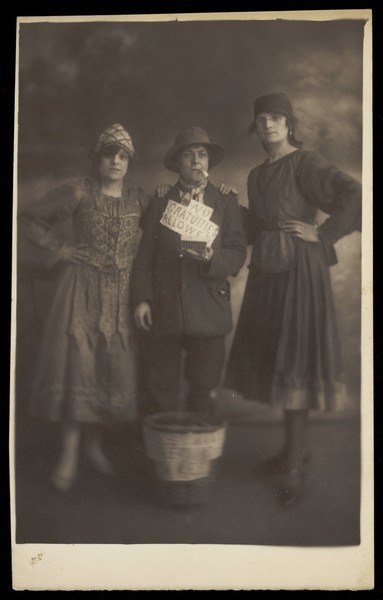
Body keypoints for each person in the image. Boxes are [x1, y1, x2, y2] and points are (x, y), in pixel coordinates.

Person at [225, 93, 362, 506]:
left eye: (276, 118)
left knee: (295, 360)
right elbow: (257, 228)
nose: (268, 124)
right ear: (256, 127)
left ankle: (294, 467)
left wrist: (322, 234)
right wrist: (232, 207)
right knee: (280, 360)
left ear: (289, 125)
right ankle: (291, 450)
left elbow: (352, 192)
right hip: (269, 274)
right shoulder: (256, 175)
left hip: (300, 273)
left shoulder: (305, 162)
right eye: (261, 118)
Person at [20, 124, 150, 491]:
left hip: (122, 294)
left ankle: (94, 447)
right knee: (80, 366)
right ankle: (69, 453)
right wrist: (60, 250)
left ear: (129, 163)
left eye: (123, 156)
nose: (116, 160)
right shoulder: (80, 191)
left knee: (109, 368)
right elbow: (30, 218)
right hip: (81, 289)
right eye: (109, 154)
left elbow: (172, 221)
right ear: (98, 159)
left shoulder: (139, 199)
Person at [132, 126, 247, 415]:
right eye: (188, 155)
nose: (196, 161)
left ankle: (195, 457)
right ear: (177, 164)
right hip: (166, 308)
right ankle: (163, 455)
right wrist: (143, 299)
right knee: (160, 387)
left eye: (202, 155)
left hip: (209, 309)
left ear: (209, 163)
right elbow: (144, 259)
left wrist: (212, 257)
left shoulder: (225, 202)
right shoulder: (161, 203)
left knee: (203, 389)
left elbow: (237, 253)